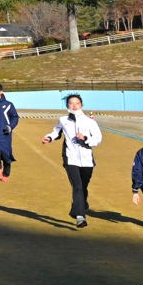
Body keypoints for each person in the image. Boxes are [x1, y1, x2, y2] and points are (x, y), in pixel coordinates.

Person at [42, 94, 104, 228]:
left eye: (77, 103)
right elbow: (56, 132)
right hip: (70, 158)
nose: (74, 106)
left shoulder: (89, 121)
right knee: (77, 186)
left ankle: (80, 204)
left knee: (83, 186)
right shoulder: (63, 120)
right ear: (67, 105)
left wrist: (85, 138)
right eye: (71, 103)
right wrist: (49, 137)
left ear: (81, 105)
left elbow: (98, 138)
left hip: (87, 160)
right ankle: (80, 217)